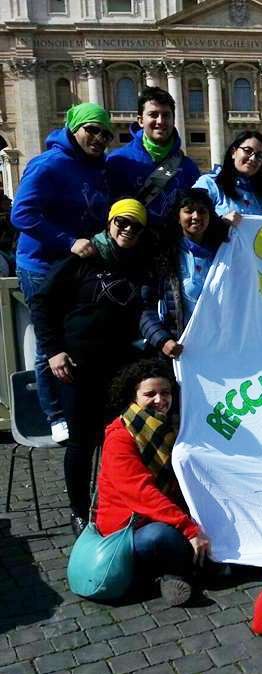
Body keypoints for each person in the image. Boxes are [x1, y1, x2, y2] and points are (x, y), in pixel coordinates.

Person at [31, 198, 150, 537]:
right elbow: (41, 301)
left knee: (120, 441)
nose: (127, 229)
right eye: (121, 222)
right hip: (77, 365)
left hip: (119, 366)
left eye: (135, 225)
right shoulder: (83, 258)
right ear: (110, 223)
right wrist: (53, 351)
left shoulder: (140, 262)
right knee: (81, 443)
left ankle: (117, 506)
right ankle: (79, 511)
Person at [11, 102, 113, 442]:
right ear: (74, 128)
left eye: (105, 134)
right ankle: (53, 414)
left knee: (76, 336)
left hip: (76, 266)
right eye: (92, 130)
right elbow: (21, 214)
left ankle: (76, 407)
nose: (99, 138)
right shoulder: (48, 164)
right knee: (49, 342)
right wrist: (67, 240)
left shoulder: (97, 166)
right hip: (41, 264)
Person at [96, 359, 210, 606]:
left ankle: (171, 574)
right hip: (128, 528)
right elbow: (142, 493)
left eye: (165, 392)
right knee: (162, 536)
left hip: (158, 515)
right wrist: (189, 529)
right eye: (150, 394)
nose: (160, 400)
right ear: (134, 396)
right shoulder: (119, 437)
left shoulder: (166, 428)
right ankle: (177, 573)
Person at [140, 188, 230, 359]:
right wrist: (162, 340)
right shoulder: (162, 255)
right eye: (189, 211)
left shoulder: (226, 251)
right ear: (178, 216)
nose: (196, 216)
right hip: (179, 351)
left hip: (221, 349)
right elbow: (145, 307)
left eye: (202, 211)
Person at [107, 87, 200, 238]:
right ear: (140, 120)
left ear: (173, 119)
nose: (160, 121)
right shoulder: (118, 161)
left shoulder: (188, 167)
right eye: (153, 115)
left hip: (173, 249)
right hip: (132, 247)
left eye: (166, 115)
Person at [193, 131, 262, 218]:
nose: (253, 158)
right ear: (233, 152)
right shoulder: (210, 183)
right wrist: (221, 223)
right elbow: (191, 219)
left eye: (259, 155)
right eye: (248, 151)